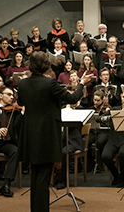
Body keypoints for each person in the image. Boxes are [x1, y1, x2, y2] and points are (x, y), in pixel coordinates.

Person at [17, 51, 92, 212]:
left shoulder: (22, 84)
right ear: (46, 65)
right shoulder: (49, 83)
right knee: (44, 178)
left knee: (35, 176)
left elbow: (21, 102)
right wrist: (82, 84)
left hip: (29, 134)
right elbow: (72, 99)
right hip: (46, 133)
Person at [97, 88, 124, 187]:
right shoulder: (114, 109)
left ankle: (122, 177)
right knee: (105, 156)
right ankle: (117, 175)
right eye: (123, 97)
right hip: (114, 139)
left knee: (123, 153)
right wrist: (113, 116)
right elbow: (99, 119)